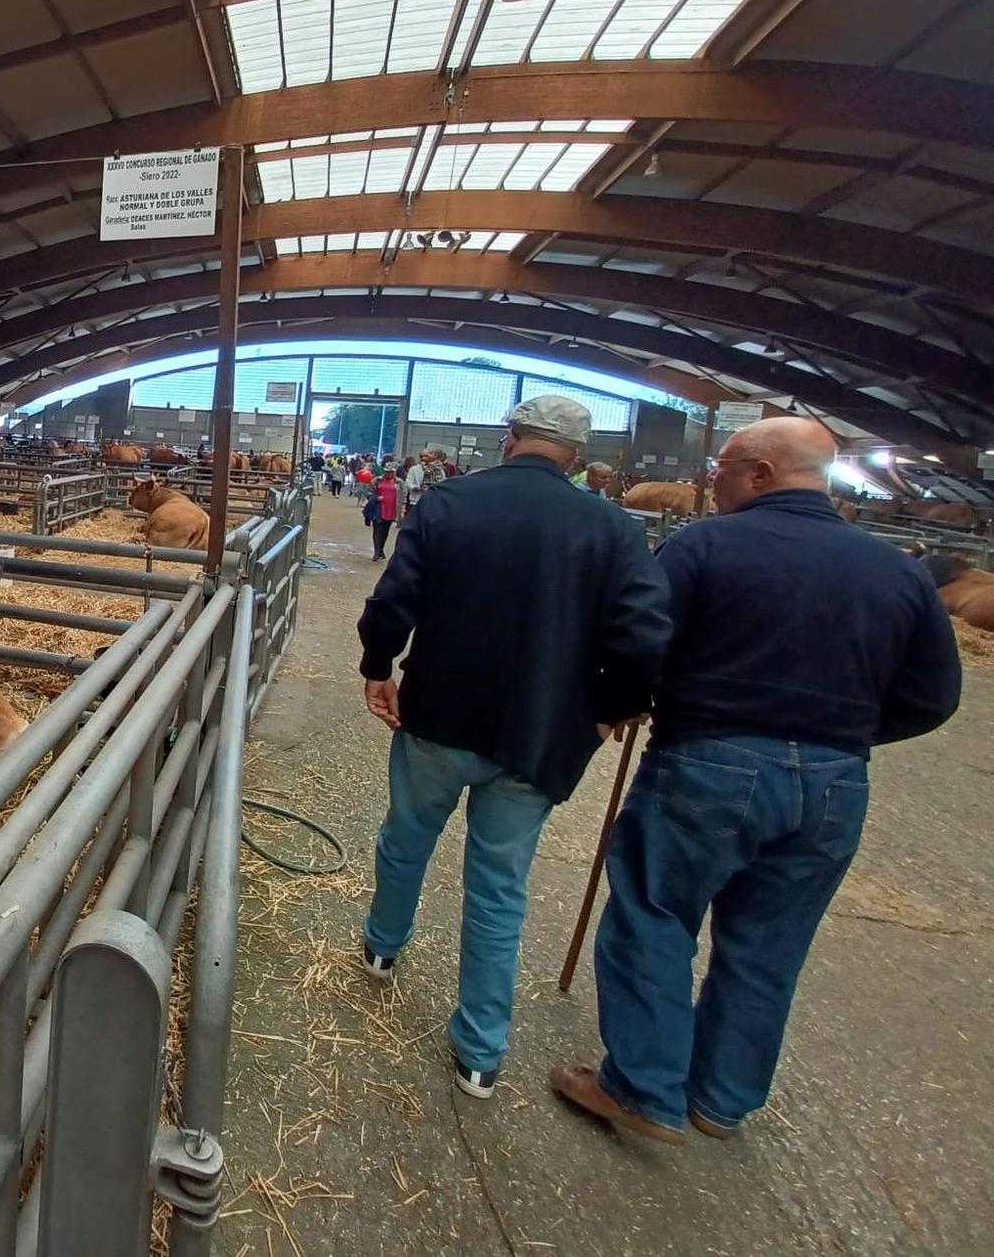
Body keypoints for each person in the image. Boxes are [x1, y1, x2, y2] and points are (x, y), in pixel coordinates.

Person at [551, 417, 960, 1142]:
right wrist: (842, 733)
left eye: (723, 466)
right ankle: (721, 1099)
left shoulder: (705, 546)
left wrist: (622, 703)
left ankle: (644, 1088)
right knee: (771, 940)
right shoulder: (895, 569)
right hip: (836, 784)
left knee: (655, 913)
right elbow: (933, 697)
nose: (712, 479)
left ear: (763, 472)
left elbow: (641, 638)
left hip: (709, 762)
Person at [356, 395, 671, 1098]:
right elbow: (646, 637)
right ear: (578, 459)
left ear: (511, 438)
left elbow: (393, 601)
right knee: (499, 888)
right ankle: (479, 1052)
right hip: (537, 736)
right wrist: (610, 711)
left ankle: (382, 948)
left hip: (438, 715)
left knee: (406, 838)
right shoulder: (614, 528)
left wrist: (379, 668)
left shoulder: (449, 503)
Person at [369, 465, 403, 560]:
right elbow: (369, 491)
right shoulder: (377, 480)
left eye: (391, 472)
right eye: (387, 472)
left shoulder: (399, 482)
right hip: (378, 508)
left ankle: (381, 549)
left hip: (391, 508)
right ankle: (376, 551)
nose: (389, 474)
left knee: (385, 530)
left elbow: (403, 495)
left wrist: (402, 508)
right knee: (377, 529)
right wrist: (375, 498)